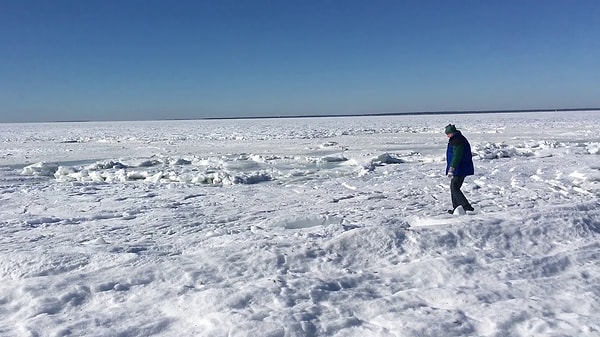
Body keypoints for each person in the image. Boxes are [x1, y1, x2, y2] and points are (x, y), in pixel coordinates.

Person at [445, 124, 475, 213]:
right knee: (453, 187)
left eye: (448, 134)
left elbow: (457, 156)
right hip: (459, 167)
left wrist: (452, 168)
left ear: (452, 133)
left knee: (454, 187)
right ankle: (457, 208)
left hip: (460, 167)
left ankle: (466, 206)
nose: (447, 136)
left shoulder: (457, 140)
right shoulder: (456, 139)